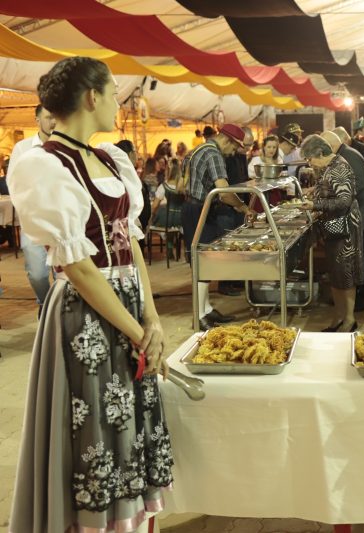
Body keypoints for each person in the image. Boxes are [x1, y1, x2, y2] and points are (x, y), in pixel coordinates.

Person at [7, 56, 174, 533]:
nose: (120, 101)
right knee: (97, 422)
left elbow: (131, 242)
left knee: (132, 417)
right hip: (86, 312)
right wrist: (138, 330)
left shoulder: (108, 158)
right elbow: (79, 267)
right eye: (114, 90)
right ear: (91, 97)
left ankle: (132, 523)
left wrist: (154, 319)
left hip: (127, 303)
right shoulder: (41, 163)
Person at [181, 123, 255, 330]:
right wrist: (242, 207)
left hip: (192, 207)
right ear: (227, 140)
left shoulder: (198, 149)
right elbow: (223, 192)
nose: (233, 152)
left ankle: (205, 309)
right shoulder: (214, 154)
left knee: (203, 261)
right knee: (202, 263)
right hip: (199, 210)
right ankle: (199, 316)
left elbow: (182, 183)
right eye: (235, 147)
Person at [298, 135, 363, 332]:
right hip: (334, 226)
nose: (310, 163)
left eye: (310, 159)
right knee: (335, 274)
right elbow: (330, 190)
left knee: (345, 273)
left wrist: (315, 204)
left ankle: (350, 320)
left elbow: (344, 201)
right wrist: (315, 191)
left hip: (345, 228)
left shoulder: (339, 168)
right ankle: (339, 317)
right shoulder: (330, 166)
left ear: (319, 152)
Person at [323, 130, 364, 313]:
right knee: (360, 257)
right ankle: (356, 298)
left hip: (363, 213)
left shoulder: (349, 155)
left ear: (331, 146)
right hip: (359, 212)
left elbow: (358, 183)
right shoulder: (344, 154)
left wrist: (332, 194)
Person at [7, 104, 57, 308]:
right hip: (33, 221)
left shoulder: (65, 146)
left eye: (56, 117)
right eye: (48, 117)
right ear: (37, 120)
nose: (53, 121)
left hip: (61, 221)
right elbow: (13, 183)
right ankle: (45, 306)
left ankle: (59, 313)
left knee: (66, 276)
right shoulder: (23, 149)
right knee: (37, 274)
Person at [149, 158, 184, 259]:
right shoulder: (183, 187)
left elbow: (154, 206)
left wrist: (152, 216)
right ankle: (185, 251)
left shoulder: (163, 186)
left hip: (168, 218)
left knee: (166, 221)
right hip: (181, 218)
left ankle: (169, 248)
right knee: (175, 223)